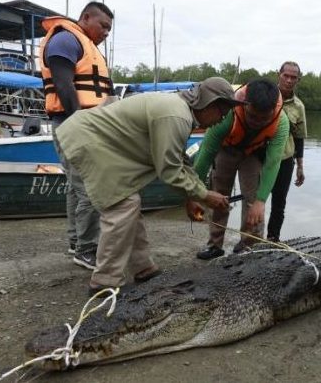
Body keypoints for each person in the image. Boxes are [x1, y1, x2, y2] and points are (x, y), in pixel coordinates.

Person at [55, 77, 238, 296]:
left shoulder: (179, 111)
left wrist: (192, 197)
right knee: (123, 206)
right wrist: (205, 195)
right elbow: (169, 170)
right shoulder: (176, 115)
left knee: (128, 204)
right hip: (86, 141)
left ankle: (143, 268)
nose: (221, 120)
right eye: (223, 112)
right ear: (210, 104)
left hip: (91, 140)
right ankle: (104, 282)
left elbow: (179, 160)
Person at [38, 2, 114, 268]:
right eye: (103, 26)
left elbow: (107, 94)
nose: (106, 33)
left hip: (90, 126)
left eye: (109, 29)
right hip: (73, 124)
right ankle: (87, 249)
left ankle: (76, 243)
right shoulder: (65, 40)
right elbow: (63, 83)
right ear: (86, 17)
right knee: (90, 189)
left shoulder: (89, 48)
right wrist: (79, 121)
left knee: (75, 187)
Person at [193, 79, 289, 260]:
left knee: (253, 200)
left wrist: (261, 201)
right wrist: (194, 193)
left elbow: (273, 163)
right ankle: (215, 245)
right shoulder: (228, 114)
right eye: (252, 116)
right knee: (218, 195)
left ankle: (250, 245)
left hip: (253, 153)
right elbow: (205, 154)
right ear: (244, 105)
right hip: (226, 149)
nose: (257, 122)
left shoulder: (281, 122)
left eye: (264, 118)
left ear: (273, 111)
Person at [266, 61, 307, 242]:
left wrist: (300, 166)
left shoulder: (299, 106)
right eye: (286, 76)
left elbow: (299, 137)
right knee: (252, 199)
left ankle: (273, 240)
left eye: (294, 77)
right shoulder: (265, 96)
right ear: (279, 75)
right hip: (261, 157)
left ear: (298, 80)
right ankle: (248, 240)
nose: (289, 80)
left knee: (279, 204)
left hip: (285, 160)